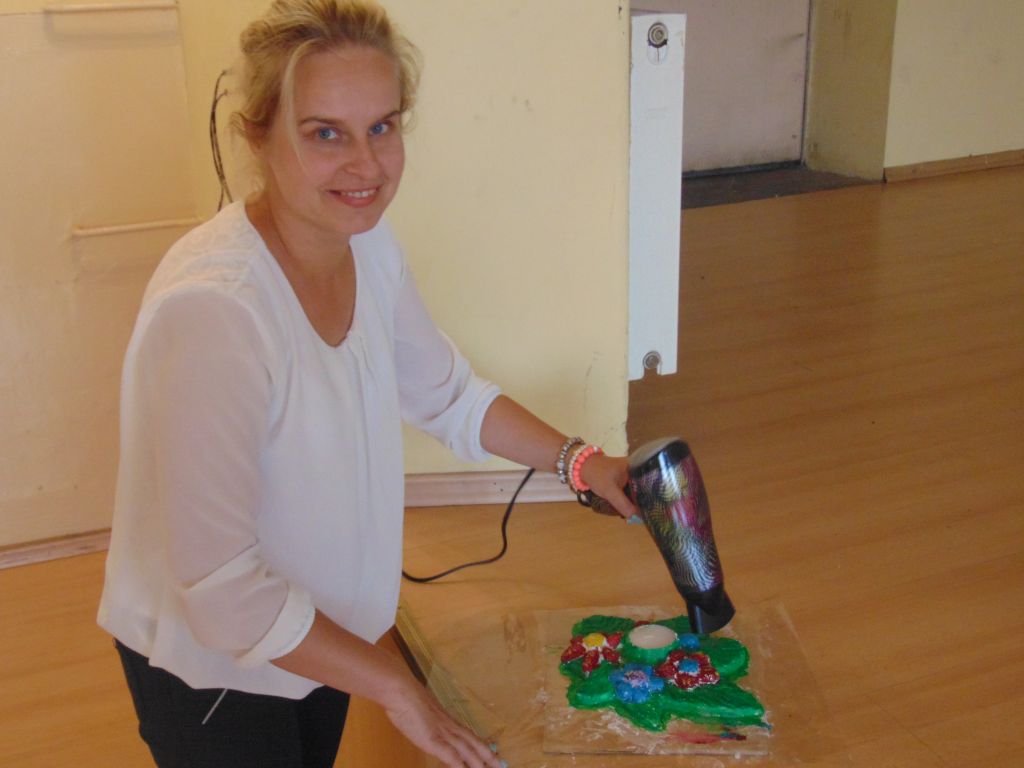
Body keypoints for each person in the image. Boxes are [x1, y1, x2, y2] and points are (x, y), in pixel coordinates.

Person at [97, 1, 636, 766]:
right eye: (326, 133)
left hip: (324, 638)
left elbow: (447, 394)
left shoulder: (368, 246)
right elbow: (222, 593)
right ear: (257, 136)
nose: (367, 166)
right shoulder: (217, 313)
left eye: (382, 126)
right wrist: (395, 685)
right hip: (215, 672)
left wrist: (582, 464)